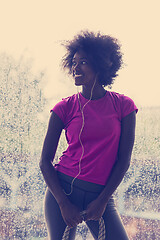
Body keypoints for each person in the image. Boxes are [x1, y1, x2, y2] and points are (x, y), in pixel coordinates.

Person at [39, 31, 138, 240]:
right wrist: (63, 204)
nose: (76, 68)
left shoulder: (124, 106)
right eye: (73, 62)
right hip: (62, 194)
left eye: (82, 62)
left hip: (101, 195)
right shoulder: (63, 108)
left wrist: (103, 200)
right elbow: (45, 162)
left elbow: (123, 161)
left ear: (101, 64)